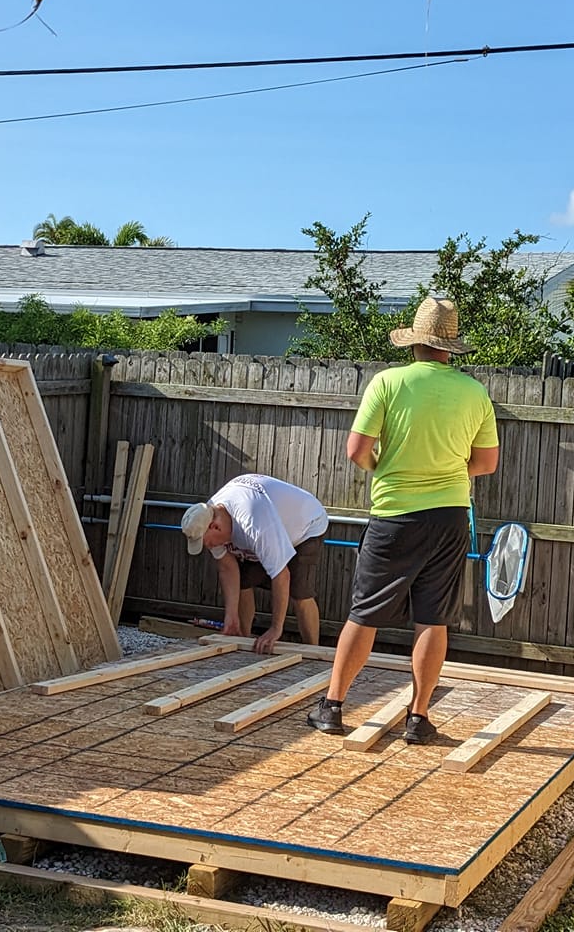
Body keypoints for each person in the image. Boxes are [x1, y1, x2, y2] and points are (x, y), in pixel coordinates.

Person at [309, 297, 498, 742]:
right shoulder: (475, 393)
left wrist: (385, 467)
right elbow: (486, 463)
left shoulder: (388, 382)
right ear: (450, 347)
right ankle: (418, 717)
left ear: (414, 342)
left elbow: (357, 451)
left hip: (394, 514)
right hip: (450, 516)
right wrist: (447, 472)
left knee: (365, 613)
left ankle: (333, 707)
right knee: (433, 617)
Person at [180, 473, 328, 654]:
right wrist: (230, 616)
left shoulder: (253, 523)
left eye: (206, 542)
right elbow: (227, 567)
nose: (207, 547)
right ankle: (241, 635)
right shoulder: (207, 517)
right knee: (244, 580)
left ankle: (314, 652)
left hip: (306, 524)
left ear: (215, 527)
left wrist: (275, 628)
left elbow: (282, 575)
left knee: (299, 591)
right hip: (270, 522)